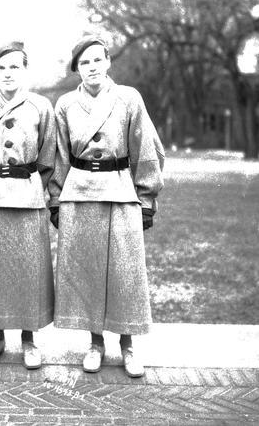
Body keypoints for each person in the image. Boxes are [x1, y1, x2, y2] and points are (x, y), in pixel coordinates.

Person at [49, 34, 164, 377]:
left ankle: (127, 345)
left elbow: (146, 149)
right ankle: (95, 343)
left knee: (125, 272)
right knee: (88, 270)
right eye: (84, 62)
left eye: (97, 59)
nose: (92, 67)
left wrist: (146, 199)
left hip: (120, 189)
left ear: (108, 62)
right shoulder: (65, 104)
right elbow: (58, 156)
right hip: (79, 192)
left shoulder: (128, 98)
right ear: (77, 70)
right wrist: (56, 199)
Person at [0, 42, 56, 369]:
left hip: (28, 196)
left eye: (14, 67)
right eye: (2, 67)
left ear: (25, 70)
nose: (8, 73)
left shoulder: (41, 106)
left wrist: (31, 185)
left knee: (29, 268)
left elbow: (48, 156)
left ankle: (29, 339)